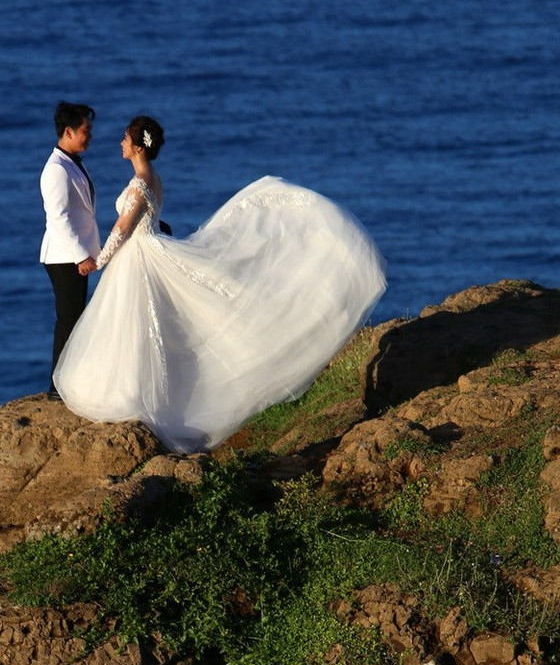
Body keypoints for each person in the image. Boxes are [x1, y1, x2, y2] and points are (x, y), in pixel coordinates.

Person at [53, 115, 387, 452]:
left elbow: (123, 227)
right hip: (143, 253)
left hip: (138, 257)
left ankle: (134, 396)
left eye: (125, 139)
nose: (120, 144)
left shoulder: (140, 183)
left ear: (139, 146)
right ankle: (142, 393)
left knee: (138, 327)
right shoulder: (151, 177)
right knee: (146, 329)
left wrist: (100, 260)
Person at [39, 101, 101, 398]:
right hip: (65, 257)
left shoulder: (72, 162)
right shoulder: (56, 169)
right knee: (68, 320)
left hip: (73, 256)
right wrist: (81, 255)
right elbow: (58, 218)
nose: (90, 136)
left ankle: (68, 383)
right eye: (86, 130)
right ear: (68, 131)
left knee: (74, 318)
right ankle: (57, 387)